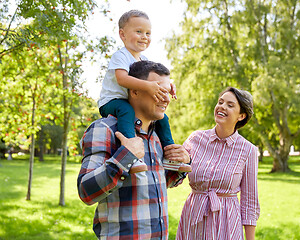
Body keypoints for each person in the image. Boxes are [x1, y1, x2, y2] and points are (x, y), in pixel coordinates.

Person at [78, 60, 191, 239]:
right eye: (160, 90)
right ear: (135, 90)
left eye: (168, 91)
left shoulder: (157, 136)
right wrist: (125, 157)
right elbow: (85, 192)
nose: (167, 98)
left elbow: (160, 183)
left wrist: (180, 164)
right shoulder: (105, 129)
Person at [97, 9, 190, 173]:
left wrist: (169, 85)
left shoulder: (144, 60)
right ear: (122, 34)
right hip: (112, 101)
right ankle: (132, 154)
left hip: (128, 101)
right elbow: (122, 79)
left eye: (148, 33)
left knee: (163, 118)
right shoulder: (121, 56)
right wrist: (148, 86)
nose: (144, 37)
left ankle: (170, 155)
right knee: (126, 110)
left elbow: (155, 77)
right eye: (138, 31)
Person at [176, 87, 260, 240]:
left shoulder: (248, 150)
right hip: (194, 218)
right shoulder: (195, 139)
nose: (222, 106)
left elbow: (249, 202)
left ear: (241, 116)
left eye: (230, 105)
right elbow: (176, 177)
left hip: (227, 223)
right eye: (220, 102)